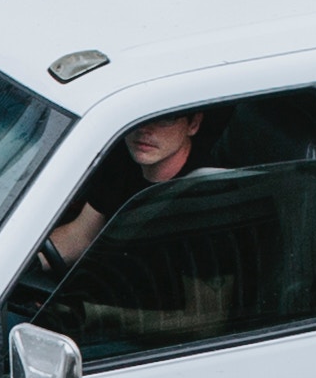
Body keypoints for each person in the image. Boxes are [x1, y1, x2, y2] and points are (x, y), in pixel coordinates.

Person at [44, 109, 208, 266]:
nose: (144, 128)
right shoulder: (122, 159)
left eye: (165, 118)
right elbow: (81, 236)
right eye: (139, 114)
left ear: (193, 124)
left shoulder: (204, 190)